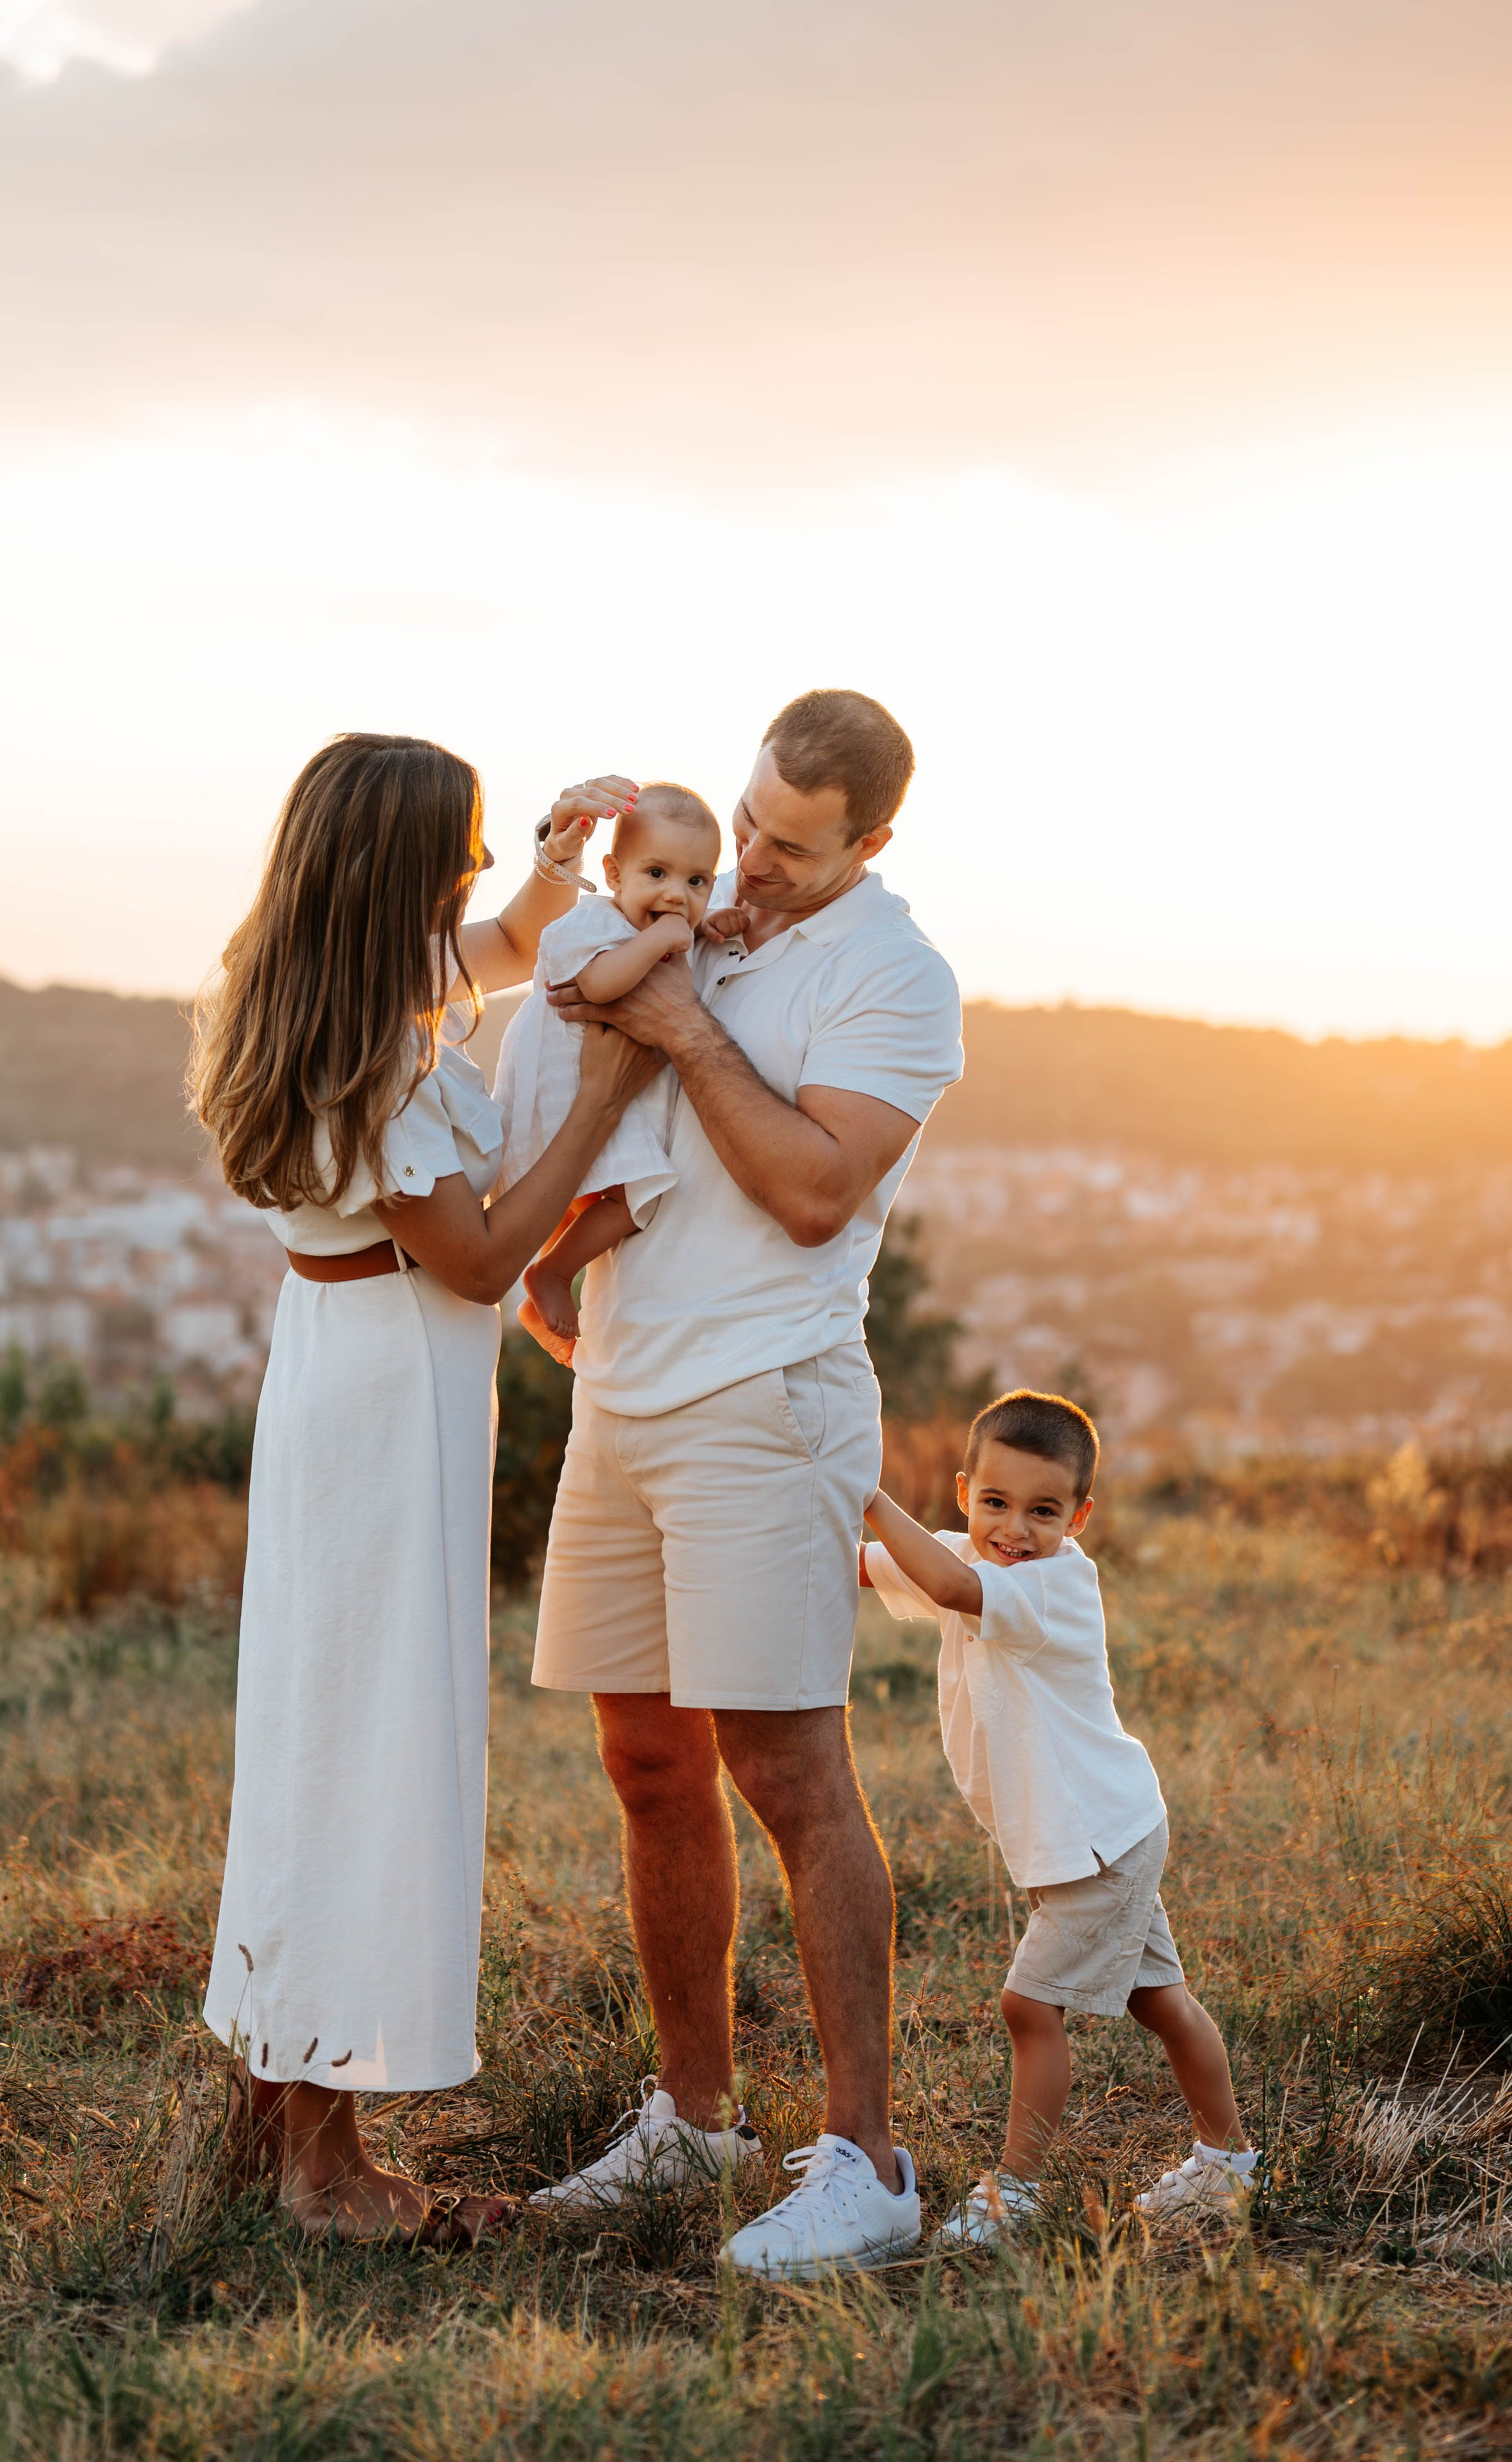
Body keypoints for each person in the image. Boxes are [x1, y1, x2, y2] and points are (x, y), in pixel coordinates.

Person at [194, 737, 660, 2242]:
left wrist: (552, 858)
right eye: (456, 853)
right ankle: (325, 2169)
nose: (473, 878)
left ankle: (289, 2111)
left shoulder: (288, 993)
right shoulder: (383, 1058)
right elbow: (475, 1256)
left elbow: (501, 944)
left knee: (317, 1731)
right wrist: (602, 1092)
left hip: (336, 1371)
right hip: (394, 1395)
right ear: (395, 876)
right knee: (367, 1747)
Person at [526, 688, 964, 2281]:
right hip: (623, 1400)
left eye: (791, 847)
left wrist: (687, 1025)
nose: (753, 865)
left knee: (786, 1770)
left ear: (870, 843)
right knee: (645, 1760)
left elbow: (805, 1189)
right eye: (748, 822)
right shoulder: (697, 922)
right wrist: (561, 1253)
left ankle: (868, 2159)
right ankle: (693, 2114)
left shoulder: (893, 978)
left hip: (765, 1402)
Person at [861, 1387, 1256, 2245]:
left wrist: (860, 1482)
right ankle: (1227, 2167)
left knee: (1028, 2008)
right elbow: (871, 1563)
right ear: (966, 1494)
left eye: (1043, 1511)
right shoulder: (974, 1556)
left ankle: (1015, 2193)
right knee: (1162, 2002)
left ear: (1078, 1518)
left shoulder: (1055, 1587)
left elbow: (941, 1578)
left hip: (1098, 1847)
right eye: (996, 1503)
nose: (1015, 1529)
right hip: (1104, 1830)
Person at [494, 781, 745, 1366]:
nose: (677, 896)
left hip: (606, 1089)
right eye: (656, 874)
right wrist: (663, 935)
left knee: (626, 1200)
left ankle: (549, 1272)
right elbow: (601, 984)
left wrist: (706, 929)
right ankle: (549, 1273)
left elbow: (666, 947)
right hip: (565, 1088)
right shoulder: (591, 925)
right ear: (613, 873)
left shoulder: (653, 928)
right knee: (622, 1195)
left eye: (697, 882)